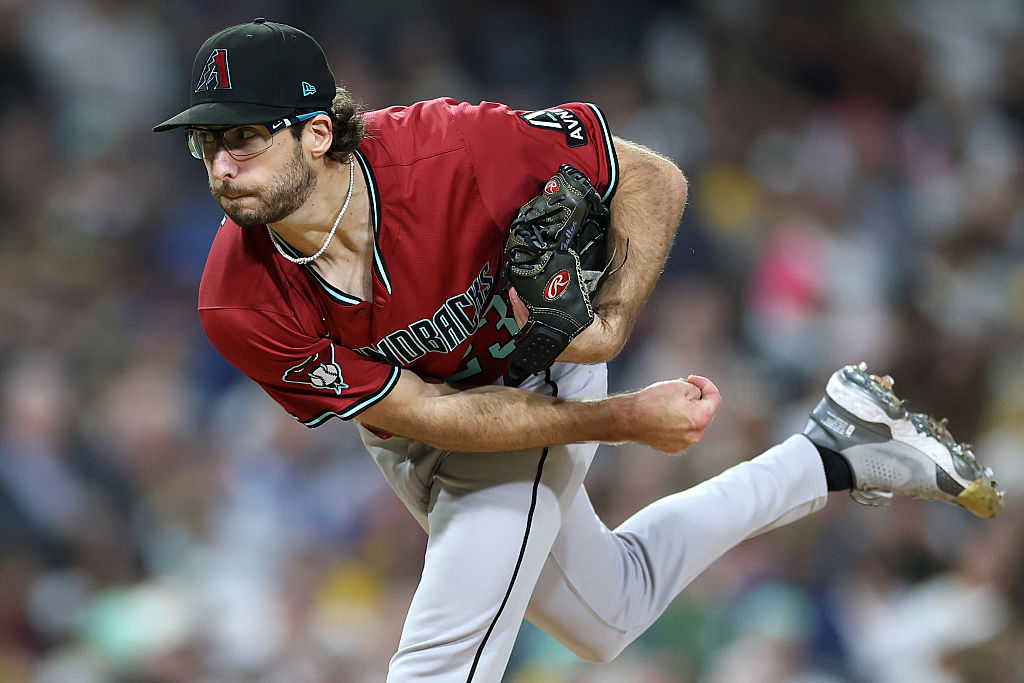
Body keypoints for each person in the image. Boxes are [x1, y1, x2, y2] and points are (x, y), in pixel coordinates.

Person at [154, 18, 1004, 681]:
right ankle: (832, 452)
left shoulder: (452, 149)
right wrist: (627, 418)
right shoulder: (237, 299)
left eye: (244, 137)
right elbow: (422, 411)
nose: (222, 163)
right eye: (207, 143)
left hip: (541, 362)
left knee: (440, 654)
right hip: (429, 421)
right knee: (609, 613)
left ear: (313, 132)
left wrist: (613, 324)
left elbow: (651, 176)